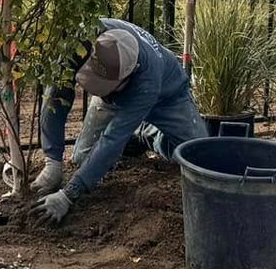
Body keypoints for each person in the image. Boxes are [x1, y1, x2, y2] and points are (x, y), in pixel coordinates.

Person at [30, 17, 206, 224]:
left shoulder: (147, 80)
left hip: (168, 97)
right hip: (113, 97)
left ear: (128, 76)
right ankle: (135, 132)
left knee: (196, 156)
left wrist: (68, 194)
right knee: (81, 159)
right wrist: (53, 161)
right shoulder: (81, 40)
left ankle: (148, 134)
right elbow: (56, 98)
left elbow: (112, 139)